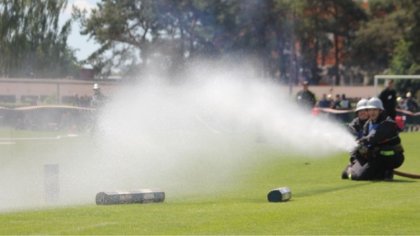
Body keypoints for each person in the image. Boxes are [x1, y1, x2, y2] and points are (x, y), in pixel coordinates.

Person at [344, 97, 404, 181]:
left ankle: (385, 171)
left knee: (360, 177)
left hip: (393, 157)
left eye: (375, 110)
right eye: (370, 110)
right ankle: (382, 172)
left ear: (380, 110)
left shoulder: (388, 123)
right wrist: (361, 149)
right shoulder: (367, 125)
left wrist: (361, 141)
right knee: (353, 175)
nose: (372, 112)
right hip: (376, 158)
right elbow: (366, 144)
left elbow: (375, 136)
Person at [341, 98, 369, 179]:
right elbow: (352, 139)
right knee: (349, 175)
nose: (362, 113)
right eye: (360, 111)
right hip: (358, 155)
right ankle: (350, 168)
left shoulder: (373, 122)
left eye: (364, 110)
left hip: (372, 155)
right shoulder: (354, 124)